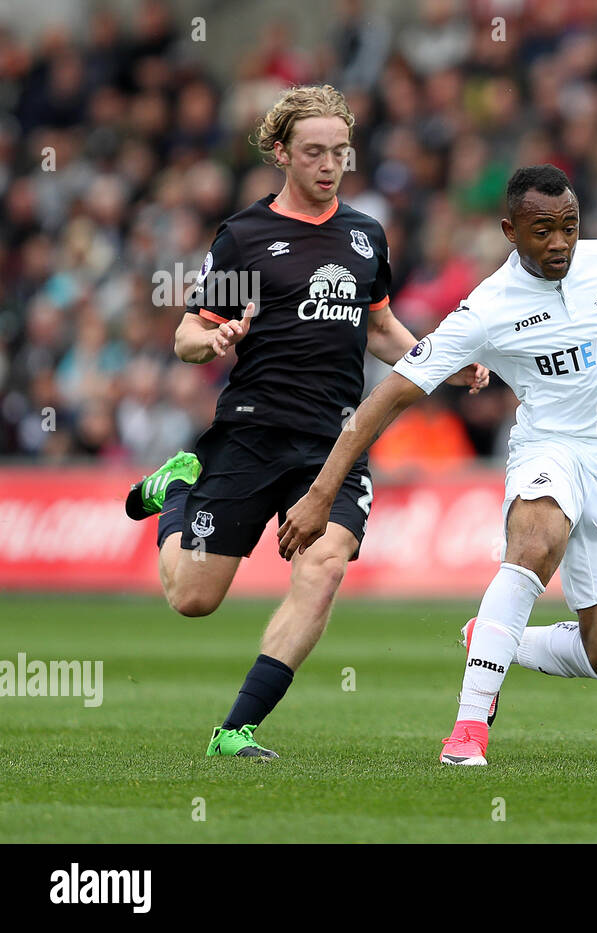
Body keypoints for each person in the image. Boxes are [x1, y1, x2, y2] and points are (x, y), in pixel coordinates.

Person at [278, 164, 597, 766]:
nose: (561, 242)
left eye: (569, 226)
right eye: (543, 231)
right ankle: (468, 729)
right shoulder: (486, 309)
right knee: (536, 541)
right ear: (509, 231)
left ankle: (490, 635)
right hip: (551, 451)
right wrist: (322, 490)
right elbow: (387, 398)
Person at [123, 84, 486, 759]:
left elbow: (379, 327)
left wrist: (440, 362)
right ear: (282, 152)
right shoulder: (246, 237)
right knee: (194, 598)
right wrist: (213, 340)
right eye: (314, 152)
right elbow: (184, 335)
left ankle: (236, 730)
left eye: (341, 153)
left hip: (336, 439)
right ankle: (176, 488)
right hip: (251, 432)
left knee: (324, 562)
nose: (329, 165)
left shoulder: (363, 235)